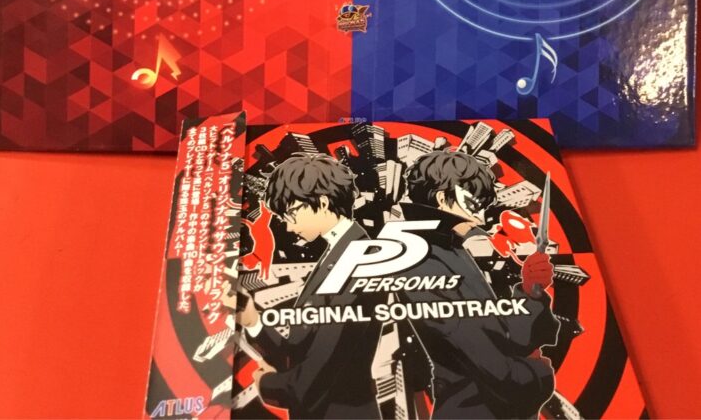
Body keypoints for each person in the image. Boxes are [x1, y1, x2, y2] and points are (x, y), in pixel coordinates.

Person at [399, 150, 560, 419]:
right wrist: (540, 372)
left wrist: (530, 292)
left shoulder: (452, 251)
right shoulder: (423, 262)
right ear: (442, 198)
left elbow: (504, 335)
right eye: (473, 202)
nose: (480, 216)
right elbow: (492, 367)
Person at [237, 153, 384, 419]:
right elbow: (302, 349)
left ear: (323, 202)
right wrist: (253, 321)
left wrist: (266, 384)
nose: (289, 227)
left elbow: (316, 375)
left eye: (291, 214)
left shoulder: (359, 259)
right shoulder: (338, 252)